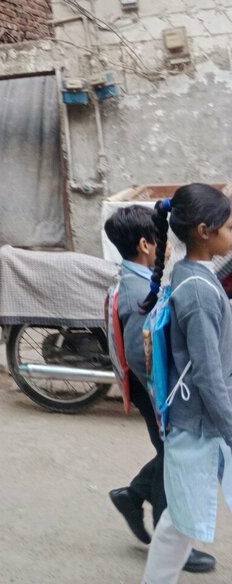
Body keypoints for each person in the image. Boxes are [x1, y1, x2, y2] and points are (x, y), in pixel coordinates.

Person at [105, 206, 214, 574]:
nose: (167, 246)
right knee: (175, 461)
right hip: (154, 392)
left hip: (149, 388)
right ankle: (172, 539)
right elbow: (142, 356)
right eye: (160, 239)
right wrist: (165, 404)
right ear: (145, 245)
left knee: (171, 456)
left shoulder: (133, 278)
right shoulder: (138, 291)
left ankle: (133, 495)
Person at [140, 184, 232, 584]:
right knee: (179, 522)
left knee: (179, 521)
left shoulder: (191, 272)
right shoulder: (198, 294)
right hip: (203, 423)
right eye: (229, 226)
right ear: (204, 232)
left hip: (198, 420)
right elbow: (209, 378)